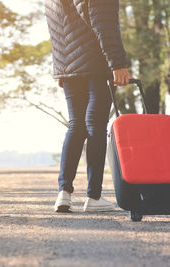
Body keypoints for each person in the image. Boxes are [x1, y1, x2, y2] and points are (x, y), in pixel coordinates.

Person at [44, 0, 134, 212]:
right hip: (96, 63)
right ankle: (94, 197)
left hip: (67, 66)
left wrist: (61, 68)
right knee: (95, 125)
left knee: (76, 125)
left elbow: (56, 27)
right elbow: (104, 24)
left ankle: (63, 194)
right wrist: (118, 64)